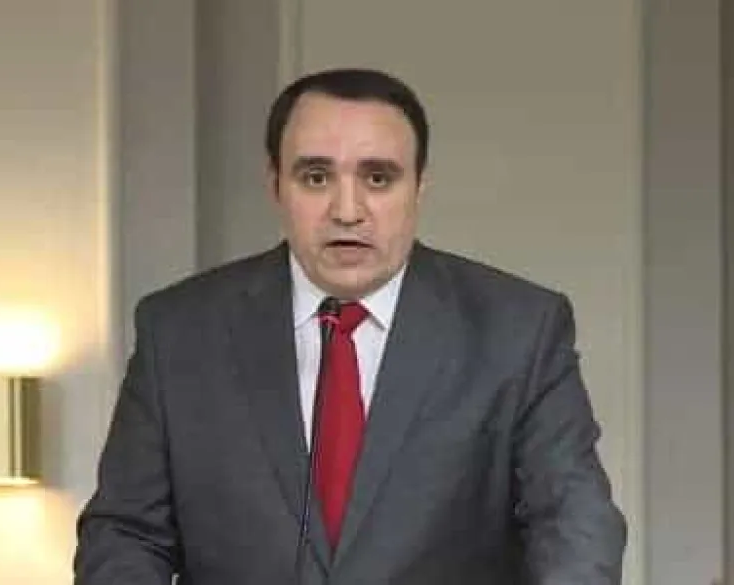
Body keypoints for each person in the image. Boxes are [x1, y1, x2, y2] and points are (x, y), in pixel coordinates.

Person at [74, 67, 626, 585]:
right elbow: (126, 534)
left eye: (378, 178)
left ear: (419, 187)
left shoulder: (518, 329)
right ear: (275, 185)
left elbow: (573, 520)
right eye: (316, 177)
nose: (347, 210)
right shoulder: (178, 332)